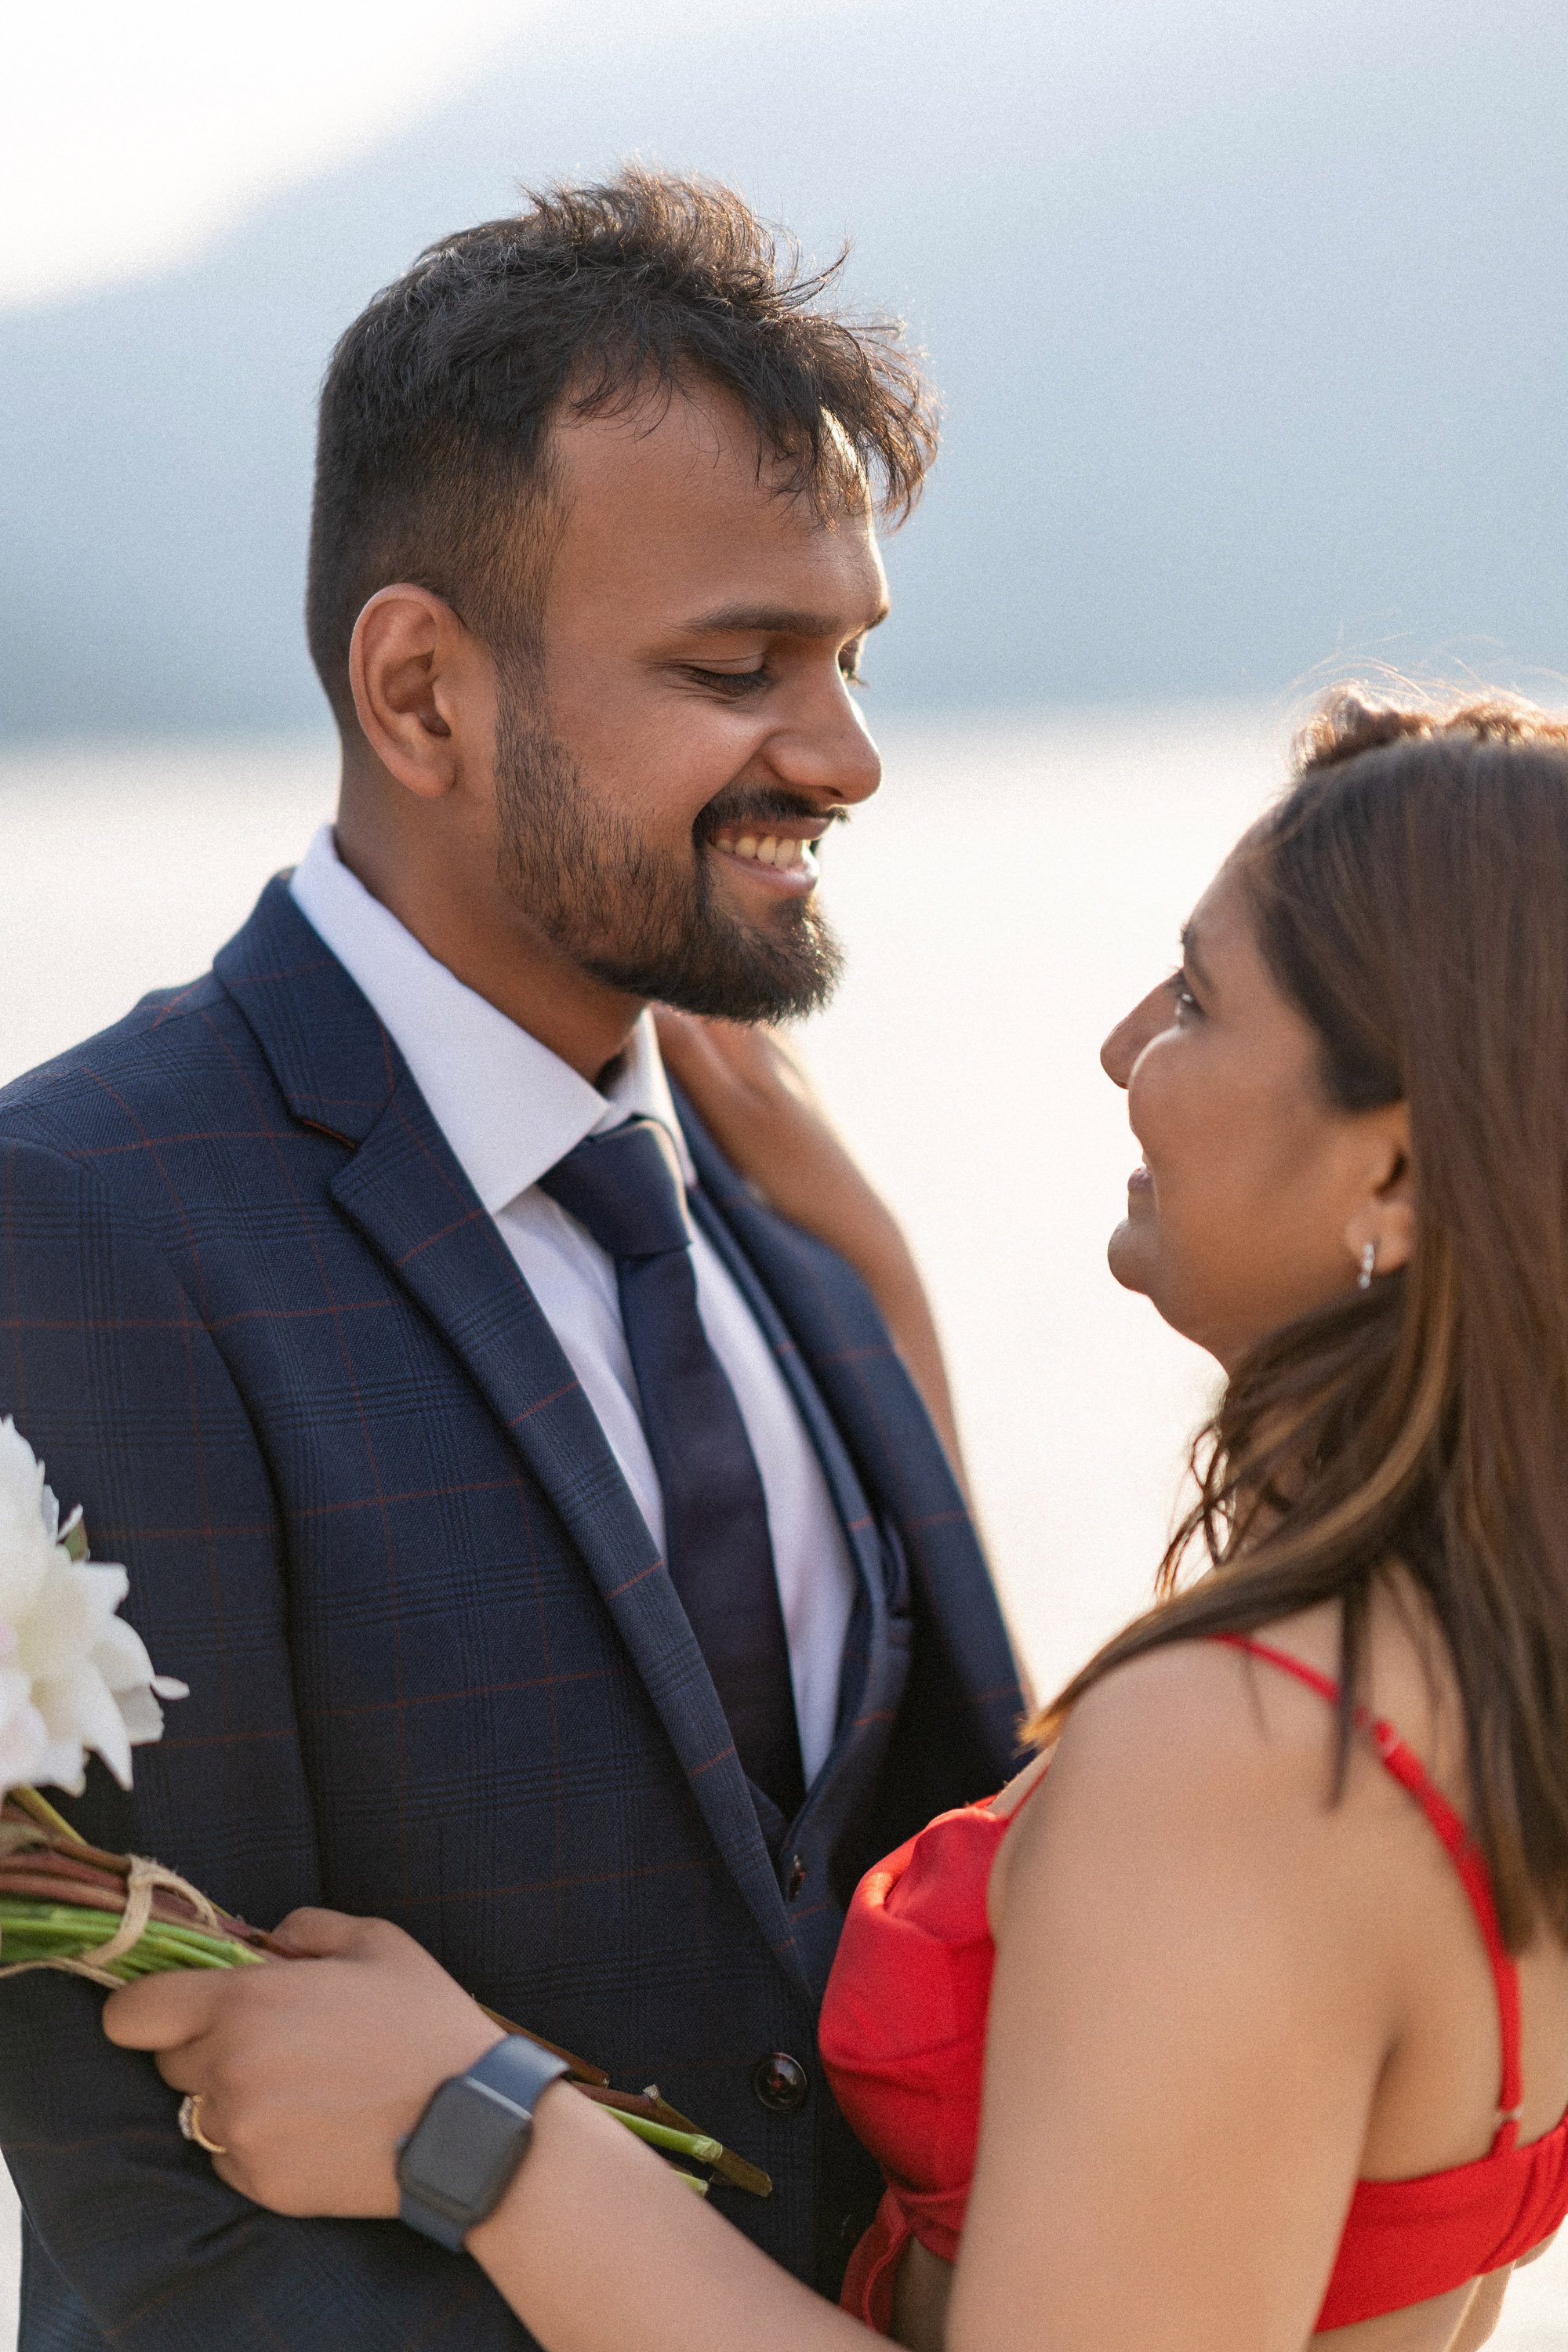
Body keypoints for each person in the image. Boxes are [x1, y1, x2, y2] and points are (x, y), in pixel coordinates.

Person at [106, 692, 1568, 2352]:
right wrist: (870, 1320)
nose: (1121, 1041)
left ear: (1390, 1180)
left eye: (1197, 999)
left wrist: (484, 2133)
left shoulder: (1239, 1761)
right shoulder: (1470, 1676)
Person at [0, 170, 1027, 2350]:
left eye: (847, 657)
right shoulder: (86, 1215)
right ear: (423, 693)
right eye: (737, 665)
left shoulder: (778, 1203)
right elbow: (164, 2222)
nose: (841, 754)